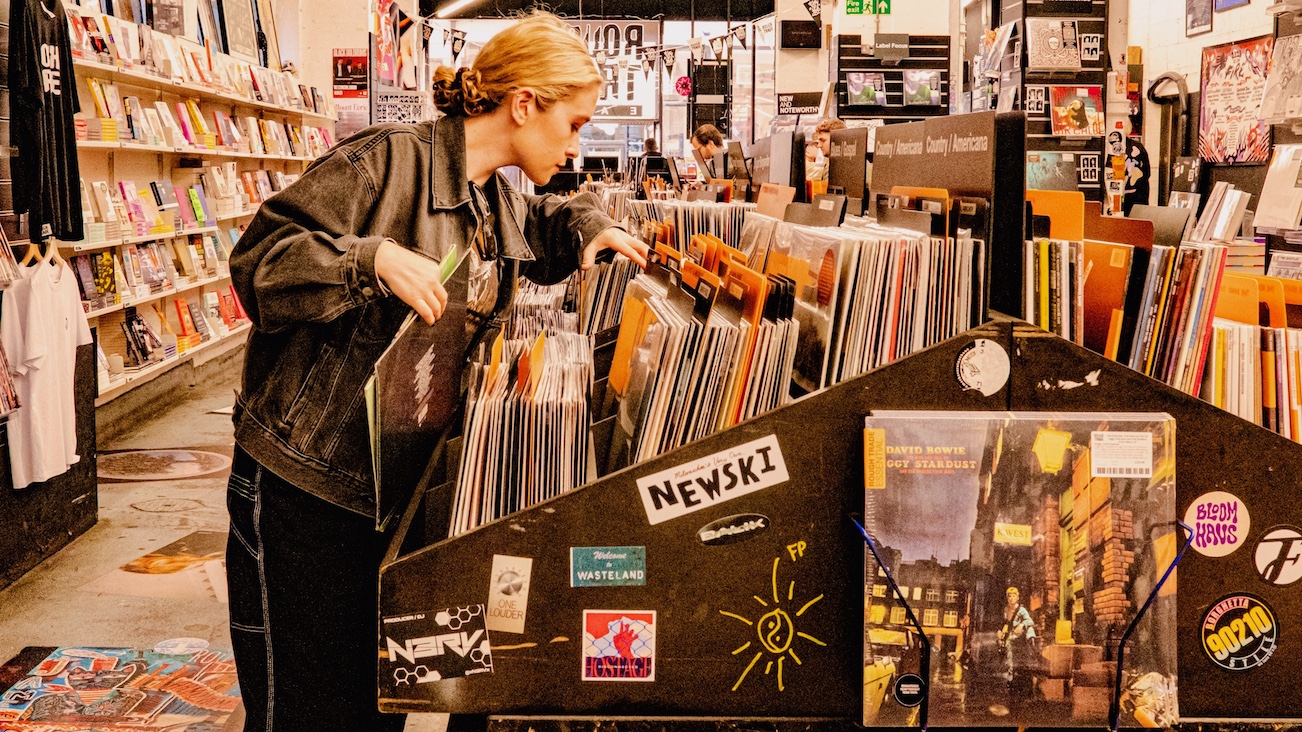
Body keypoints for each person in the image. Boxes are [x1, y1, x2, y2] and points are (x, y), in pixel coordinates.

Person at [225, 12, 648, 731]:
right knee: (309, 708)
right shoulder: (386, 162)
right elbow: (257, 264)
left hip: (394, 494)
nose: (575, 145)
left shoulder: (493, 195)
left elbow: (547, 222)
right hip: (309, 491)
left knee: (379, 700)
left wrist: (588, 226)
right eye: (572, 124)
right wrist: (370, 260)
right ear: (523, 105)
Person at [998, 586, 1036, 700]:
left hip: (1020, 638)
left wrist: (1022, 625)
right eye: (1009, 596)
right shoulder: (1006, 610)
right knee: (1007, 656)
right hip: (1010, 636)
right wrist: (1000, 631)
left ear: (1017, 597)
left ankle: (1018, 682)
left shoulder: (1021, 610)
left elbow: (1030, 621)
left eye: (1014, 596)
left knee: (1017, 658)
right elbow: (1005, 623)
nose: (1011, 598)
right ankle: (1010, 679)